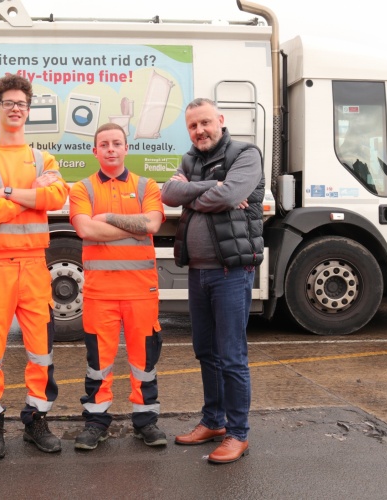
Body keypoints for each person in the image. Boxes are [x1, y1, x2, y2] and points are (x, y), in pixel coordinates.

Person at [0, 74, 69, 460]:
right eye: (8, 103)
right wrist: (31, 196)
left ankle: (36, 419)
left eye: (21, 104)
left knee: (41, 348)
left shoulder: (43, 158)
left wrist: (6, 192)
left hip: (34, 264)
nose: (15, 109)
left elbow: (58, 194)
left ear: (28, 110)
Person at [161, 98, 264, 464]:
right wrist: (210, 188)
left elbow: (232, 194)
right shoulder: (190, 159)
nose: (199, 131)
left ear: (220, 120)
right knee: (206, 350)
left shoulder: (246, 154)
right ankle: (214, 421)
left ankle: (238, 433)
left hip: (230, 272)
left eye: (205, 122)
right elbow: (168, 194)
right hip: (198, 271)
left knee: (232, 355)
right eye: (193, 126)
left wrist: (199, 192)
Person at [69, 122, 166, 450]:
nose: (111, 149)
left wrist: (107, 217)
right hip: (100, 293)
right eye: (104, 144)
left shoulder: (146, 185)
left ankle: (146, 420)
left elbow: (151, 223)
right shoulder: (81, 189)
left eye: (116, 143)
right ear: (94, 151)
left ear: (126, 149)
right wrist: (133, 226)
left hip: (141, 291)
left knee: (144, 360)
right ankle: (96, 421)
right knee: (98, 361)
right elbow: (86, 230)